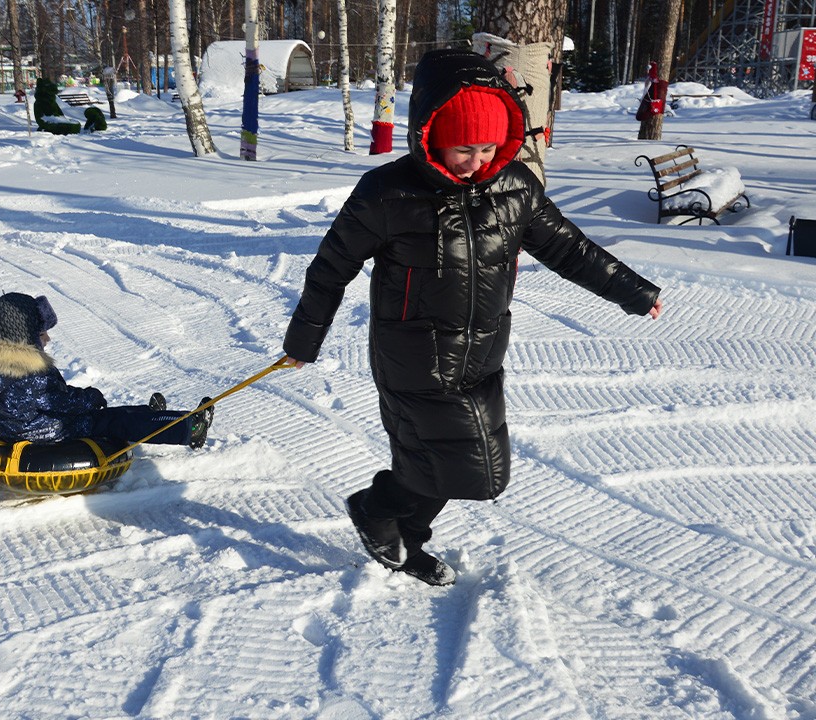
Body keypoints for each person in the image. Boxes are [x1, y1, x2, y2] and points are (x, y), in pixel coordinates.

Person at [281, 49, 663, 587]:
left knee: (453, 463)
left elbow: (571, 250)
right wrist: (305, 338)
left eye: (488, 147)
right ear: (431, 132)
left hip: (482, 353)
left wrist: (632, 291)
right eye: (465, 148)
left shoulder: (514, 189)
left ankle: (400, 534)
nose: (478, 161)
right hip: (412, 356)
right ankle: (376, 511)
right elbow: (330, 267)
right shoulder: (388, 193)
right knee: (469, 468)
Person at [0, 292, 215, 449]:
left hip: (15, 432)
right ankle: (188, 428)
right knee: (115, 420)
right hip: (50, 432)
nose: (46, 339)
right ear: (25, 336)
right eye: (41, 333)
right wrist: (91, 397)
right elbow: (61, 402)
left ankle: (151, 415)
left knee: (114, 415)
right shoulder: (29, 370)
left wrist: (10, 427)